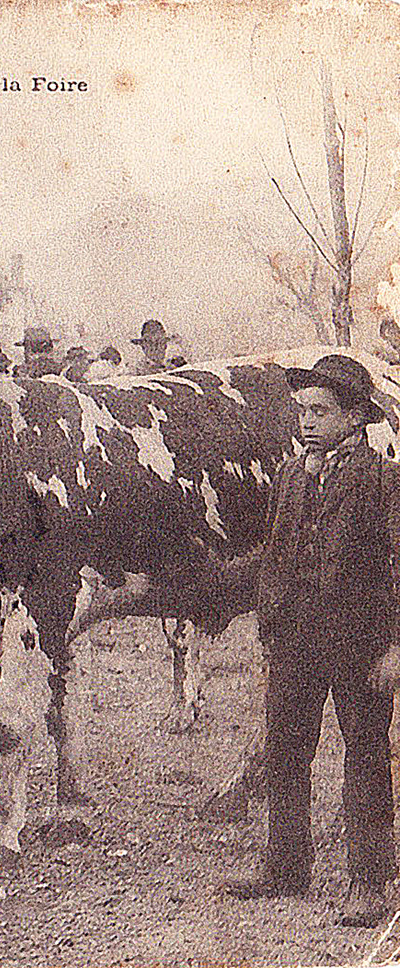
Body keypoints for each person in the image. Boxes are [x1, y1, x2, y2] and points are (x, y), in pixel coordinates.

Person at [225, 353, 400, 927]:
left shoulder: (382, 479)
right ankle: (285, 865)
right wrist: (269, 620)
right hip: (296, 641)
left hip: (360, 645)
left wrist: (396, 648)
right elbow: (276, 555)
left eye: (320, 412)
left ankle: (371, 883)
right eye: (301, 411)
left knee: (366, 757)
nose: (306, 421)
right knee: (285, 749)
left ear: (354, 417)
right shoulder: (292, 475)